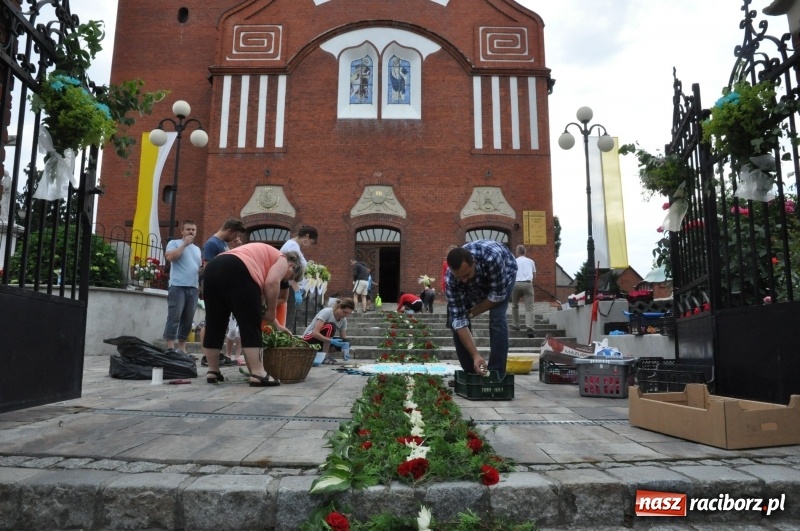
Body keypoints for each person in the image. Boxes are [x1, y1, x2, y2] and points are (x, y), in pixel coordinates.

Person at [201, 244, 304, 386]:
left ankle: (213, 371)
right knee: (250, 325)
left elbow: (257, 306)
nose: (285, 281)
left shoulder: (261, 261)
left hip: (213, 268)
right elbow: (272, 282)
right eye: (289, 277)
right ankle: (258, 373)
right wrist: (272, 310)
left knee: (215, 323)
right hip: (238, 267)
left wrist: (276, 324)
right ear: (291, 265)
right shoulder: (282, 260)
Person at [445, 241, 517, 379]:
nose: (463, 280)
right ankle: (471, 371)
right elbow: (459, 321)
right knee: (455, 320)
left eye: (466, 275)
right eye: (458, 276)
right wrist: (476, 356)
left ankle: (496, 373)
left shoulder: (492, 259)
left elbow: (497, 297)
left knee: (497, 317)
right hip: (481, 277)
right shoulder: (451, 280)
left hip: (505, 272)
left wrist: (471, 313)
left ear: (474, 263)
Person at [200, 218, 246, 366]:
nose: (235, 238)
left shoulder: (224, 244)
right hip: (215, 288)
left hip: (224, 288)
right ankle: (207, 355)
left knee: (220, 322)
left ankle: (216, 354)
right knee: (210, 322)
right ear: (229, 231)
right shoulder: (212, 244)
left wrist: (236, 249)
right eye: (235, 235)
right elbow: (208, 268)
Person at [163, 220, 202, 353]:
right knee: (174, 317)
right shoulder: (174, 243)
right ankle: (170, 348)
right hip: (178, 286)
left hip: (193, 288)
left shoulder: (197, 249)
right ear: (182, 231)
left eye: (193, 230)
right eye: (188, 229)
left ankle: (182, 349)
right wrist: (184, 244)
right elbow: (169, 257)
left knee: (188, 319)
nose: (191, 232)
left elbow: (197, 267)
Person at [278, 225, 319, 327]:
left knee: (289, 319)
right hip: (291, 286)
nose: (309, 245)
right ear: (307, 236)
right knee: (288, 320)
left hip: (292, 285)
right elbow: (292, 271)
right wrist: (297, 291)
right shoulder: (292, 246)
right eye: (311, 242)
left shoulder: (294, 245)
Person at [302, 297, 355, 364]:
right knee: (331, 326)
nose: (346, 315)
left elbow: (343, 338)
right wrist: (331, 341)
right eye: (344, 312)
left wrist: (345, 349)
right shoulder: (327, 312)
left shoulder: (343, 320)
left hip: (323, 341)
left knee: (346, 342)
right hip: (310, 338)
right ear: (339, 307)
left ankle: (320, 353)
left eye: (348, 313)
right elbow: (315, 333)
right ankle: (324, 356)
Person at [511, 244, 537, 338]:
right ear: (525, 252)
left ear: (517, 252)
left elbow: (510, 274)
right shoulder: (531, 261)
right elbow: (534, 275)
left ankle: (516, 325)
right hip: (528, 284)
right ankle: (530, 328)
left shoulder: (514, 261)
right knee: (529, 307)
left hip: (516, 284)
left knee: (514, 305)